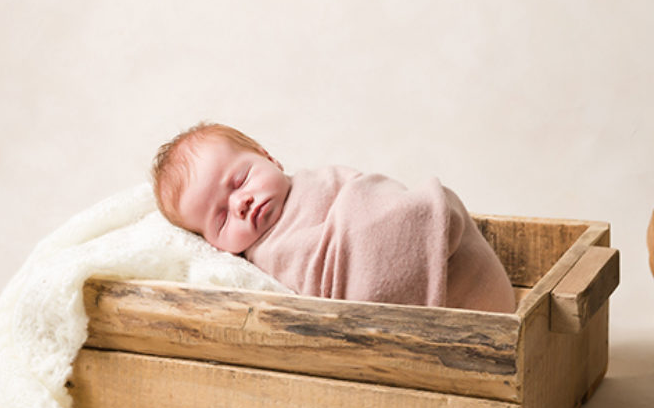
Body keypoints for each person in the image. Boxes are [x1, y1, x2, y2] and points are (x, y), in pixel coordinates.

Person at [152, 123, 516, 313]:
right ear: (212, 245)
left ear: (269, 157)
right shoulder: (254, 267)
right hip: (391, 314)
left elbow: (380, 202)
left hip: (453, 272)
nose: (241, 204)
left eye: (240, 180)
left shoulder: (324, 180)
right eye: (220, 218)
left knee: (427, 211)